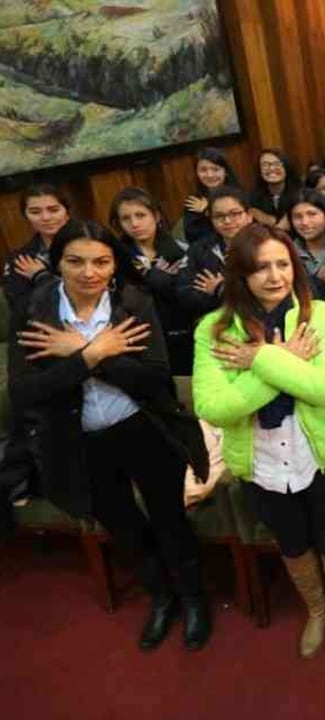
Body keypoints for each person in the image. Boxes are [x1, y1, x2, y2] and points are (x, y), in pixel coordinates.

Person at [13, 220, 211, 651]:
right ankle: (162, 599)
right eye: (76, 261)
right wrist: (92, 356)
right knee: (124, 527)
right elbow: (25, 391)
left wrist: (89, 355)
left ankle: (194, 600)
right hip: (79, 440)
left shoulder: (134, 301)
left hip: (144, 428)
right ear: (56, 262)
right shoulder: (35, 309)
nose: (89, 272)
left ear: (114, 264)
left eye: (101, 261)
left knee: (169, 519)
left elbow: (157, 380)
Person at [191, 223, 325, 660]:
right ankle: (317, 611)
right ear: (240, 274)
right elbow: (214, 407)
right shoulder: (214, 328)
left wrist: (259, 359)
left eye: (282, 264)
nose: (274, 276)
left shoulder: (320, 315)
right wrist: (284, 361)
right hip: (260, 459)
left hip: (318, 451)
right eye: (260, 267)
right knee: (291, 540)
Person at [109, 187, 194, 374]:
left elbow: (188, 292)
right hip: (141, 337)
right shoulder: (115, 257)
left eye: (141, 215)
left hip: (183, 332)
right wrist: (159, 277)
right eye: (126, 218)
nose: (134, 224)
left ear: (156, 216)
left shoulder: (181, 249)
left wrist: (149, 276)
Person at [177, 186, 255, 320]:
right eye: (219, 216)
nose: (227, 221)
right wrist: (216, 299)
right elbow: (184, 292)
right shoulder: (199, 250)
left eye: (235, 214)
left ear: (249, 216)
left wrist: (220, 289)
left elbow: (262, 293)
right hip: (215, 322)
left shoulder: (267, 245)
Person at [4, 185, 72, 314]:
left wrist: (41, 276)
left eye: (53, 210)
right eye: (35, 212)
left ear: (67, 212)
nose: (46, 218)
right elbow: (25, 309)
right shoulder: (21, 259)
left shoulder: (92, 246)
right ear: (26, 217)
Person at [288, 189, 325, 302]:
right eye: (297, 216)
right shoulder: (286, 253)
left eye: (312, 214)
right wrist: (318, 281)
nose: (305, 222)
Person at [182, 148, 241, 249]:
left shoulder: (239, 195)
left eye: (215, 169)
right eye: (203, 170)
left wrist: (207, 211)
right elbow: (192, 237)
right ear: (197, 173)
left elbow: (243, 229)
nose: (210, 175)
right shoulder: (194, 201)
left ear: (225, 171)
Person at [249, 148, 302, 228]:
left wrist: (271, 221)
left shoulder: (300, 194)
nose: (271, 168)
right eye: (265, 165)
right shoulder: (252, 199)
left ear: (287, 167)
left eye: (277, 164)